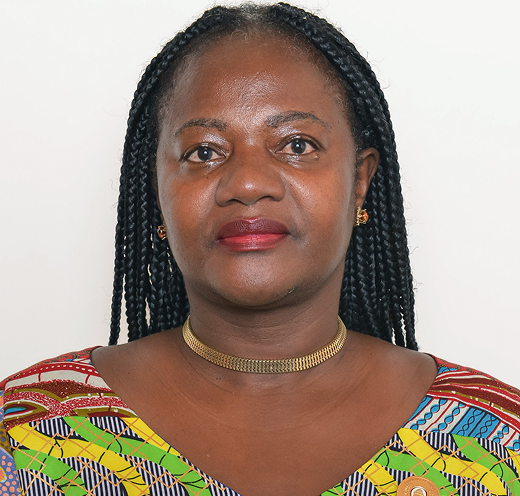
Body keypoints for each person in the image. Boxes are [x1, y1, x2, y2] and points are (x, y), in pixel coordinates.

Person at [1, 3, 519, 495]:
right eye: (204, 152)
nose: (248, 183)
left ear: (360, 181)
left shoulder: (499, 442)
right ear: (156, 193)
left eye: (297, 145)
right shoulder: (27, 433)